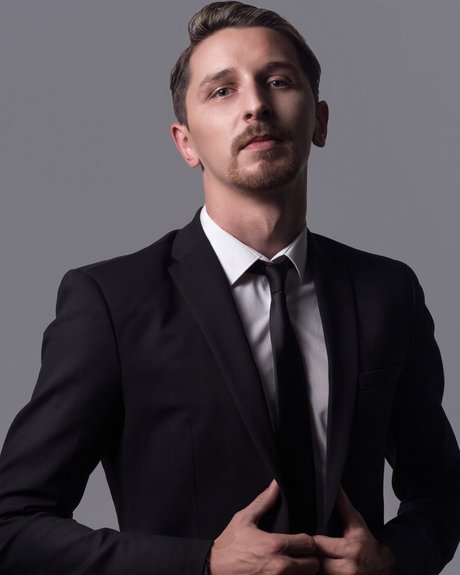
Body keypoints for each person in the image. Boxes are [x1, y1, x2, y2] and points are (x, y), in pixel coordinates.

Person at [0, 1, 459, 574]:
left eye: (278, 81)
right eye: (222, 91)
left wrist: (392, 561)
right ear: (186, 142)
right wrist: (203, 565)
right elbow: (13, 524)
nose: (256, 105)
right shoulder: (112, 303)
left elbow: (443, 492)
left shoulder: (387, 293)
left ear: (319, 122)